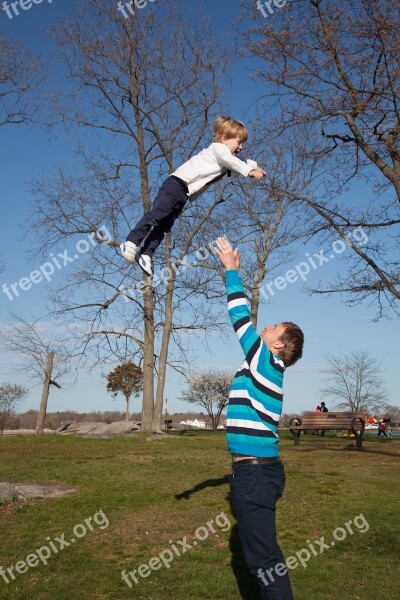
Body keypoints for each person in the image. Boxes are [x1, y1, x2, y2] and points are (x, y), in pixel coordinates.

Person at [215, 237, 304, 600]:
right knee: (261, 557)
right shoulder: (261, 365)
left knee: (264, 560)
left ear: (278, 345)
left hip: (255, 474)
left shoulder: (266, 360)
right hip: (254, 472)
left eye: (273, 329)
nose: (264, 328)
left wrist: (231, 271)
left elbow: (239, 317)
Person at [120, 117, 266, 276]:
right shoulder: (218, 148)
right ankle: (131, 242)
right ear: (224, 138)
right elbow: (231, 160)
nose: (241, 147)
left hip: (184, 194)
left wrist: (255, 166)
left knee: (164, 225)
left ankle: (147, 253)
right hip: (176, 185)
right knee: (157, 215)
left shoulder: (227, 155)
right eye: (239, 142)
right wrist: (249, 171)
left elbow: (239, 160)